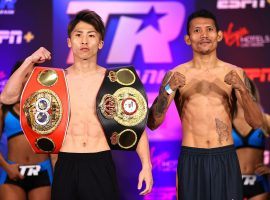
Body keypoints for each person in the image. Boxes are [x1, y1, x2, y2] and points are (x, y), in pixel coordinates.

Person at [0, 10, 153, 200]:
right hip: (66, 164)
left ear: (100, 43)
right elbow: (7, 98)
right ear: (69, 42)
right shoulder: (54, 80)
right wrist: (30, 61)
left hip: (100, 162)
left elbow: (136, 125)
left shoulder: (114, 81)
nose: (84, 41)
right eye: (78, 35)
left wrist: (146, 165)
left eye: (91, 35)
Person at [147, 9, 263, 200]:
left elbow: (257, 123)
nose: (204, 35)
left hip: (224, 157)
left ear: (219, 36)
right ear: (187, 38)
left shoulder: (235, 73)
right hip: (192, 158)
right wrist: (168, 90)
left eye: (209, 29)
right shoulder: (175, 75)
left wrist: (242, 89)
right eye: (197, 30)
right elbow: (153, 123)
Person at [0, 62, 53, 200]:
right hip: (12, 172)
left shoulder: (49, 105)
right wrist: (6, 167)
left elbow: (56, 143)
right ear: (16, 77)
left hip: (43, 171)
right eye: (25, 74)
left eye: (33, 75)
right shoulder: (3, 106)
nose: (28, 78)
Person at [232, 78, 270, 200]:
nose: (242, 93)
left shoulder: (265, 120)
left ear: (252, 93)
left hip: (258, 182)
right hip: (232, 181)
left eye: (245, 89)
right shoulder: (224, 121)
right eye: (238, 89)